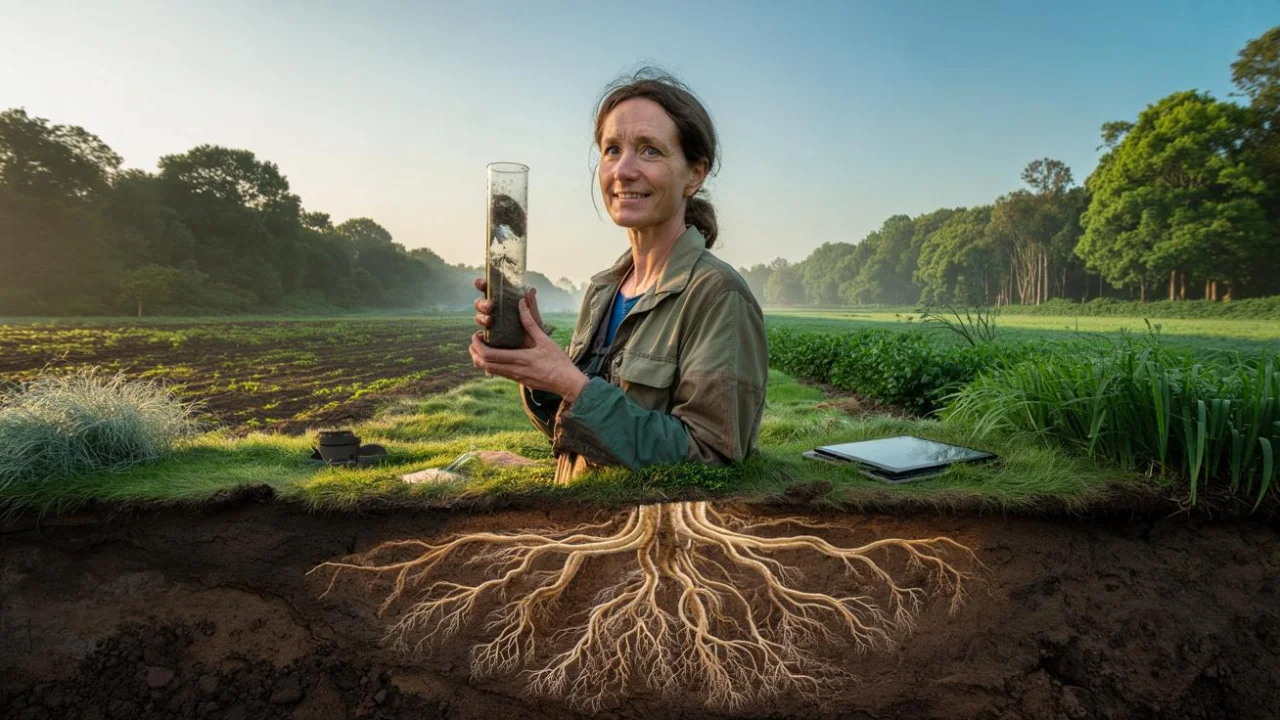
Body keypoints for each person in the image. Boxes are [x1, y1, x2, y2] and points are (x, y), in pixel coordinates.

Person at [469, 69, 768, 484]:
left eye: (649, 151)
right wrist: (540, 371)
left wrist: (576, 387)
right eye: (612, 150)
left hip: (647, 526)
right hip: (578, 518)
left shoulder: (718, 296)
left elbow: (712, 458)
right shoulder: (602, 291)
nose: (623, 170)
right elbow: (580, 437)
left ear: (695, 174)